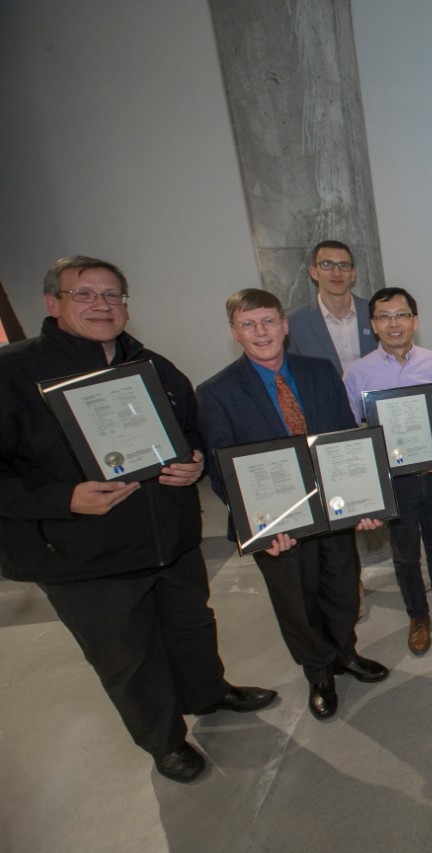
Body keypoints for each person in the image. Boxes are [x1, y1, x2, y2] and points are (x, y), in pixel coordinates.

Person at [0, 256, 276, 784]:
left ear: (126, 305)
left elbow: (190, 433)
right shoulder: (12, 374)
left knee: (192, 627)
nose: (101, 305)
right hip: (83, 556)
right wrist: (64, 499)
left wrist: (193, 460)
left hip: (169, 540)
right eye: (84, 294)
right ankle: (164, 740)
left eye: (112, 295)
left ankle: (209, 693)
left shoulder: (155, 368)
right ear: (52, 304)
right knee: (127, 657)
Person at [198, 288, 389, 721]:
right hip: (278, 525)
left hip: (332, 509)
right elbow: (221, 470)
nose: (261, 332)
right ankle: (319, 672)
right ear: (234, 332)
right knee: (297, 603)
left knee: (342, 589)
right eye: (248, 324)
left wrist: (361, 500)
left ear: (284, 325)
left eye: (268, 321)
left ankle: (345, 653)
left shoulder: (319, 371)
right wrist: (259, 528)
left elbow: (344, 437)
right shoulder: (216, 392)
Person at [342, 287, 432, 656]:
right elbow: (353, 433)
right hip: (393, 481)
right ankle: (418, 615)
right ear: (373, 325)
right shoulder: (357, 374)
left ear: (415, 320)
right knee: (404, 552)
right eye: (384, 317)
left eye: (401, 315)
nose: (394, 323)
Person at [286, 239, 376, 375]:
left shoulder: (375, 312)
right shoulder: (294, 323)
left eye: (344, 265)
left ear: (353, 273)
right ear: (314, 272)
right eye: (327, 265)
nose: (337, 273)